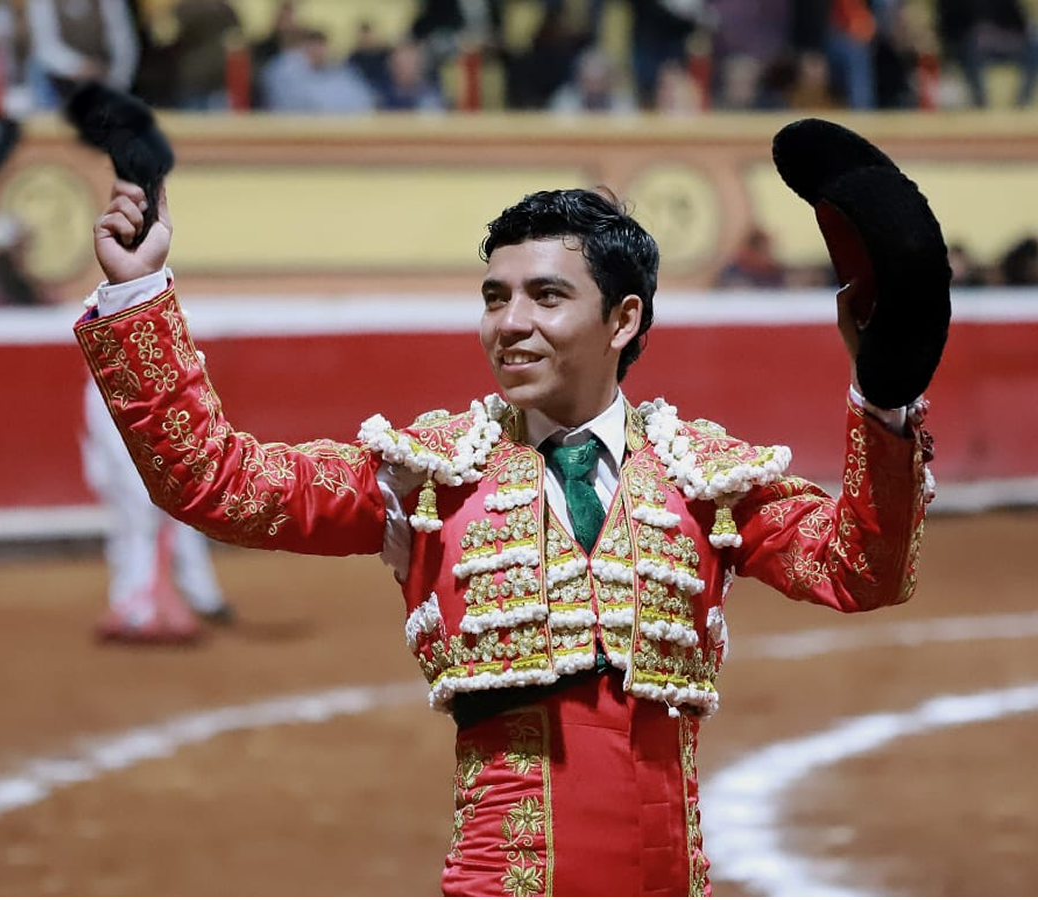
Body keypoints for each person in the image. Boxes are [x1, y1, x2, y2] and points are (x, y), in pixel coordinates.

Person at [73, 124, 941, 893]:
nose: (510, 323)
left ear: (624, 319)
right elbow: (217, 481)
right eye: (496, 296)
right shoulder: (429, 478)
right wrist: (136, 297)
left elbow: (858, 567)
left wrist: (885, 399)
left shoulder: (702, 478)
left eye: (546, 296)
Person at [81, 379, 235, 643]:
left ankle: (156, 603)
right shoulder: (107, 390)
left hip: (139, 400)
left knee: (148, 520)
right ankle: (141, 607)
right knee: (142, 521)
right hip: (129, 403)